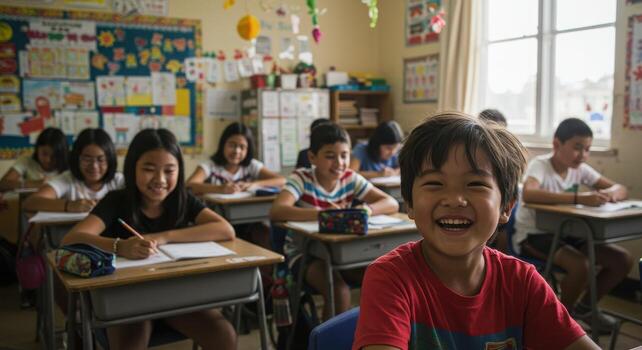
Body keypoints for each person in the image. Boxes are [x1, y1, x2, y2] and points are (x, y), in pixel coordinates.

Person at [353, 112, 598, 350]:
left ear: (507, 207)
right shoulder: (391, 278)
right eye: (434, 184)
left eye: (476, 184)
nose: (454, 200)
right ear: (410, 203)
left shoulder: (522, 282)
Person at [62, 129, 236, 350]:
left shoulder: (181, 199)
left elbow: (225, 229)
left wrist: (162, 237)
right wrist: (120, 246)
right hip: (127, 298)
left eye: (169, 170)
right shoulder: (117, 201)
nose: (160, 180)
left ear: (179, 171)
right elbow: (71, 239)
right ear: (132, 168)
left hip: (176, 296)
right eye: (148, 169)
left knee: (224, 335)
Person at [514, 117, 633, 332]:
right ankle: (559, 322)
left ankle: (585, 308)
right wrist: (579, 198)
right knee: (581, 266)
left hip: (569, 233)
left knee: (621, 260)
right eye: (577, 148)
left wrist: (609, 194)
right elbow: (529, 194)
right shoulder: (541, 165)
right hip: (535, 235)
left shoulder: (580, 169)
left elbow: (621, 188)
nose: (583, 155)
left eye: (587, 149)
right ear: (556, 145)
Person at [270, 123, 398, 320]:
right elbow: (277, 211)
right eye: (330, 156)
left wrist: (365, 209)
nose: (339, 162)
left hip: (343, 251)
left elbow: (390, 203)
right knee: (339, 292)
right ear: (312, 157)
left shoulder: (350, 178)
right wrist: (322, 213)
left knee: (384, 279)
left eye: (344, 155)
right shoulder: (302, 178)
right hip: (304, 253)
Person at [187, 122, 284, 251]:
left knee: (264, 234)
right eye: (232, 145)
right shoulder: (210, 166)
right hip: (216, 221)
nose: (237, 151)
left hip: (248, 221)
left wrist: (253, 184)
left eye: (242, 147)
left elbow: (281, 180)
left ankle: (265, 269)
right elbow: (189, 185)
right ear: (223, 145)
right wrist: (220, 189)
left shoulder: (251, 166)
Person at [23, 128, 123, 213]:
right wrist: (70, 205)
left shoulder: (118, 181)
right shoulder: (68, 179)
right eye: (87, 159)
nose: (94, 166)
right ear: (77, 158)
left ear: (110, 160)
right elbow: (30, 202)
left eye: (101, 159)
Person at [0, 127, 69, 191]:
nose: (48, 160)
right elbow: (2, 184)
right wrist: (32, 184)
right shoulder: (27, 160)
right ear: (37, 149)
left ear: (62, 155)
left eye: (54, 156)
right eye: (44, 153)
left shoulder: (70, 164)